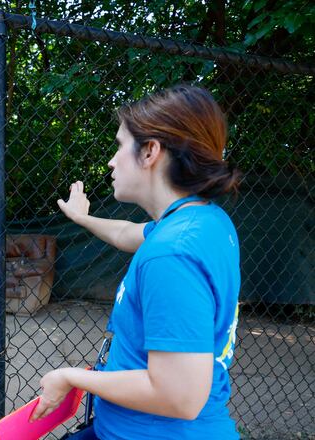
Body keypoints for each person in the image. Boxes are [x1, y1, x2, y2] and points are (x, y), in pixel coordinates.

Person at [30, 85, 241, 439]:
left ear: (150, 152)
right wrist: (83, 219)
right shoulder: (202, 221)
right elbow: (128, 234)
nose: (112, 161)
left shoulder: (172, 254)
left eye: (118, 145)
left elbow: (180, 397)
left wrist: (72, 377)